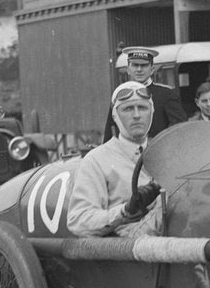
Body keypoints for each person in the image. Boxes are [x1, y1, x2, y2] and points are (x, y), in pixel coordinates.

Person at [68, 81, 162, 238]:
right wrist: (125, 210)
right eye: (128, 109)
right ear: (115, 116)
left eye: (143, 107)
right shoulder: (96, 160)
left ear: (151, 111)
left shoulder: (167, 152)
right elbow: (78, 221)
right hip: (130, 248)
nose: (137, 115)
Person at [103, 46, 187, 143]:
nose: (139, 69)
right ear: (128, 69)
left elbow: (179, 128)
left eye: (144, 65)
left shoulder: (166, 95)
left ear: (152, 69)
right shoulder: (120, 95)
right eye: (135, 65)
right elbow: (111, 129)